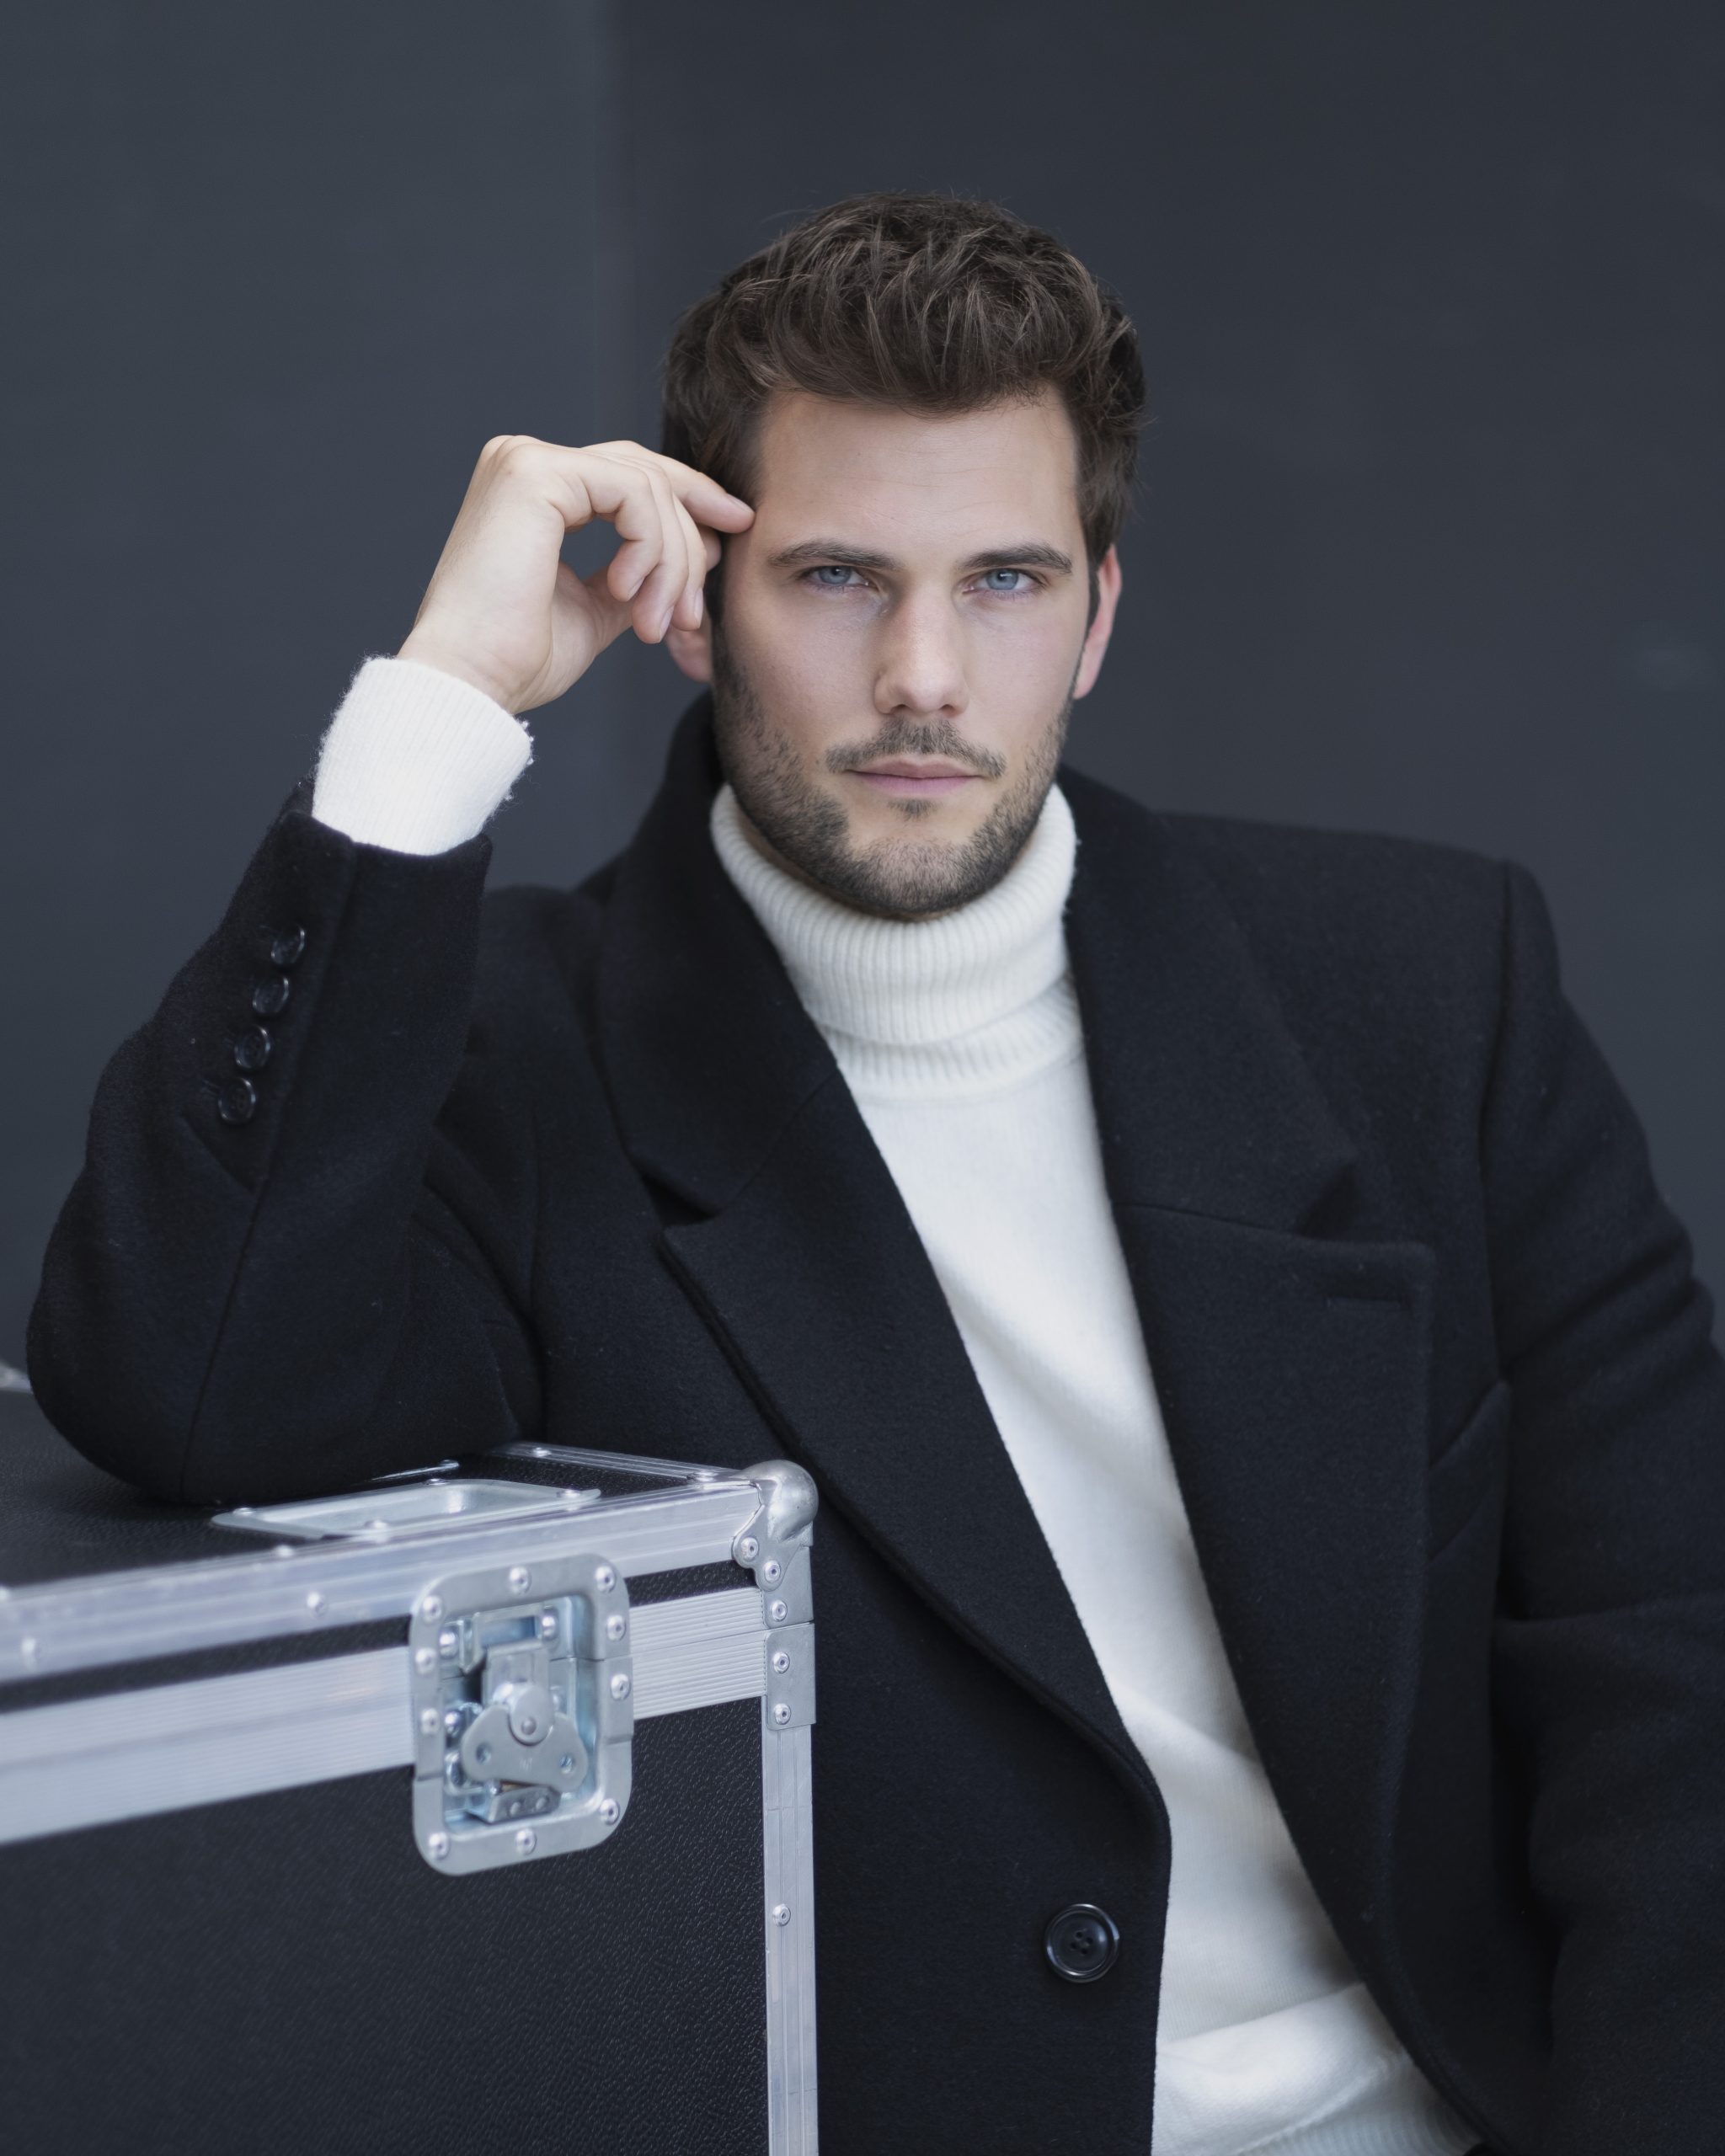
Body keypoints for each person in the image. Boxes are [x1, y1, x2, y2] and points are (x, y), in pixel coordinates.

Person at [28, 193, 1724, 2154]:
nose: (923, 673)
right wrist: (442, 700)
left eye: (1001, 581)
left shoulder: (1430, 991)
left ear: (1097, 611)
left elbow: (1667, 1675)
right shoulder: (504, 1061)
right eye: (837, 576)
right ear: (689, 603)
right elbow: (194, 1382)